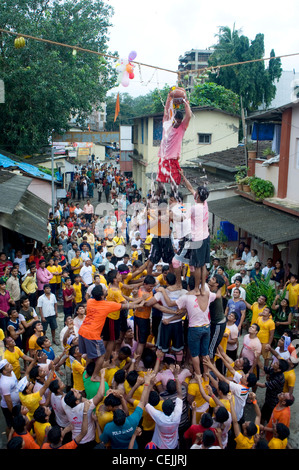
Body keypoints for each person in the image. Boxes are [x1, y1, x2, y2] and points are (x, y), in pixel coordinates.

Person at [78, 285, 123, 382]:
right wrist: (140, 303)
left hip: (82, 331)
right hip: (92, 334)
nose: (106, 290)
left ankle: (87, 372)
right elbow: (127, 305)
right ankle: (94, 376)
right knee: (101, 355)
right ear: (102, 296)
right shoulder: (107, 305)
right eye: (104, 290)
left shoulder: (90, 301)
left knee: (90, 354)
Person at [99, 371, 155, 449]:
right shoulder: (133, 420)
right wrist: (147, 382)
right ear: (125, 417)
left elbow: (103, 441)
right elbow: (142, 402)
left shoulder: (108, 427)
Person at [179, 169, 210, 295]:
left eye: (196, 192)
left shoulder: (194, 208)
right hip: (206, 237)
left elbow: (183, 218)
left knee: (197, 265)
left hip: (197, 239)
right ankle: (202, 287)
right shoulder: (205, 204)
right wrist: (183, 176)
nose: (194, 192)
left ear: (197, 195)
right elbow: (191, 188)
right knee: (203, 265)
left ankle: (196, 289)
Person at [62, 368, 107, 448]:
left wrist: (74, 394)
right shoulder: (85, 407)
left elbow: (65, 397)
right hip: (89, 439)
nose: (76, 391)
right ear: (76, 402)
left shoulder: (65, 405)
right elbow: (100, 395)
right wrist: (102, 376)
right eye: (76, 393)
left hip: (76, 439)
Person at [156, 87, 191, 187]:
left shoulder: (182, 128)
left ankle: (174, 201)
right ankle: (157, 199)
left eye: (179, 122)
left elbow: (188, 116)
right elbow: (166, 110)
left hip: (174, 159)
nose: (177, 124)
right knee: (160, 186)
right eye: (175, 121)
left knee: (175, 185)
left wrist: (185, 102)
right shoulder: (166, 124)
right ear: (172, 119)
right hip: (163, 158)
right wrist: (169, 97)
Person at [145, 366, 183, 449]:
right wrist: (176, 376)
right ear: (174, 408)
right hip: (174, 445)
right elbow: (180, 395)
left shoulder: (159, 416)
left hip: (160, 446)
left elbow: (145, 403)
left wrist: (150, 384)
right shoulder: (177, 416)